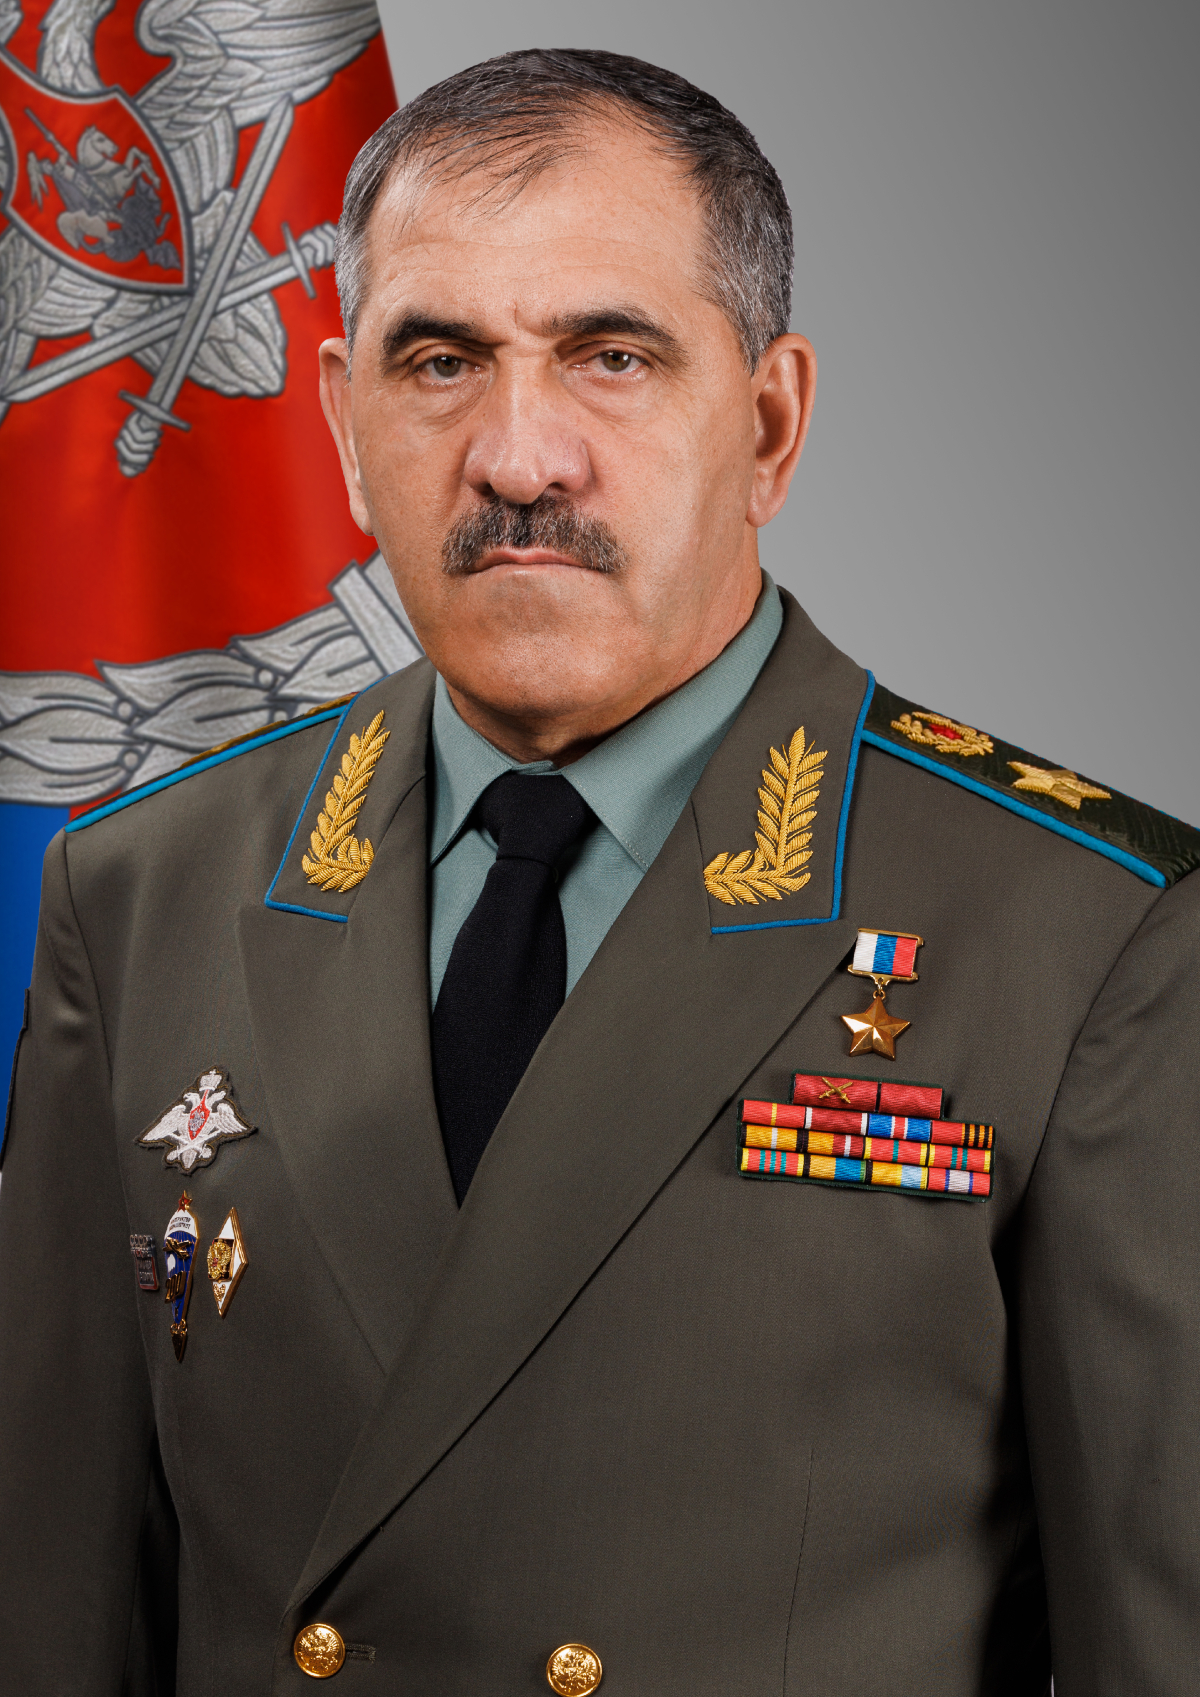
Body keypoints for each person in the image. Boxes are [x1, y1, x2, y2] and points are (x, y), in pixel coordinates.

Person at [1, 47, 1198, 1697]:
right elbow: (51, 1624)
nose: (518, 458)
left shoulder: (1085, 934)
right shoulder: (142, 893)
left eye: (610, 357)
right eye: (440, 362)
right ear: (343, 424)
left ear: (769, 423)